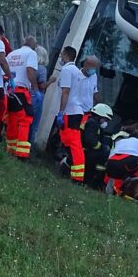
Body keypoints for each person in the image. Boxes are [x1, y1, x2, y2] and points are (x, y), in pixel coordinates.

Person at [57, 47, 90, 183]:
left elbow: (65, 92)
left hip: (70, 111)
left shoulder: (66, 70)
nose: (60, 57)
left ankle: (77, 175)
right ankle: (74, 171)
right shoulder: (78, 72)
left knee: (74, 144)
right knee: (70, 142)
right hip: (77, 111)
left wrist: (61, 111)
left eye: (61, 54)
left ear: (65, 55)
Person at [5, 37, 39, 159]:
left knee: (13, 119)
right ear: (33, 45)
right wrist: (35, 88)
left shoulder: (12, 54)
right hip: (21, 90)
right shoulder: (31, 53)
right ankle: (21, 153)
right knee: (26, 118)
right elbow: (29, 70)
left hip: (9, 89)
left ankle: (11, 149)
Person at [81, 103, 116, 189]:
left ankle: (94, 181)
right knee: (105, 151)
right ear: (100, 116)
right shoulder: (92, 123)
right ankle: (93, 182)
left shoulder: (95, 124)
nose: (106, 122)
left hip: (87, 151)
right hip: (84, 151)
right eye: (106, 120)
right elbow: (91, 141)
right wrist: (102, 148)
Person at [29, 44, 49, 142]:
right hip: (36, 97)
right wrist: (51, 81)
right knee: (34, 124)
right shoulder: (41, 69)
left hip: (26, 94)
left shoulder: (29, 66)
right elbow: (42, 85)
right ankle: (30, 146)